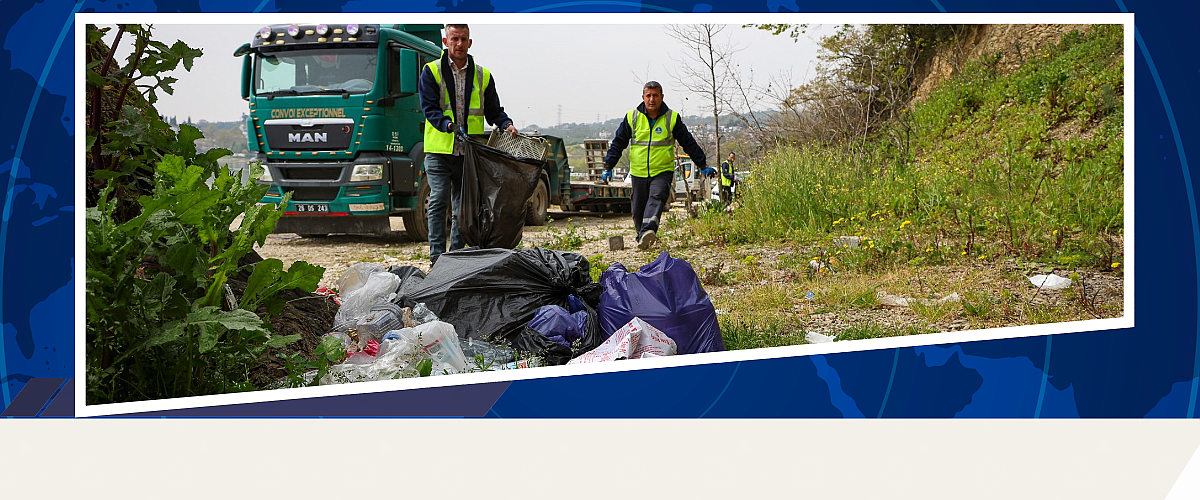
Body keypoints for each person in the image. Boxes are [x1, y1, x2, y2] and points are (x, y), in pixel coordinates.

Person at [418, 24, 518, 264]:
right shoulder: (431, 71)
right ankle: (436, 258)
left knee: (463, 209)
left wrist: (506, 124)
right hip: (439, 150)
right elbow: (429, 108)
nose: (459, 44)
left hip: (469, 154)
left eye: (463, 39)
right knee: (439, 199)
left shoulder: (483, 76)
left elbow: (494, 111)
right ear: (445, 41)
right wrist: (448, 126)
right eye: (454, 39)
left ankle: (454, 257)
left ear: (470, 43)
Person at [603, 81, 707, 250]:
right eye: (648, 96)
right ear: (643, 97)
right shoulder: (632, 117)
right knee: (638, 208)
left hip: (662, 170)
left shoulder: (671, 118)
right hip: (638, 172)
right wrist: (608, 166)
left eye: (655, 95)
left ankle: (649, 230)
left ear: (662, 97)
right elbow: (618, 143)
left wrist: (702, 164)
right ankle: (642, 237)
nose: (652, 99)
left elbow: (688, 142)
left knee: (656, 198)